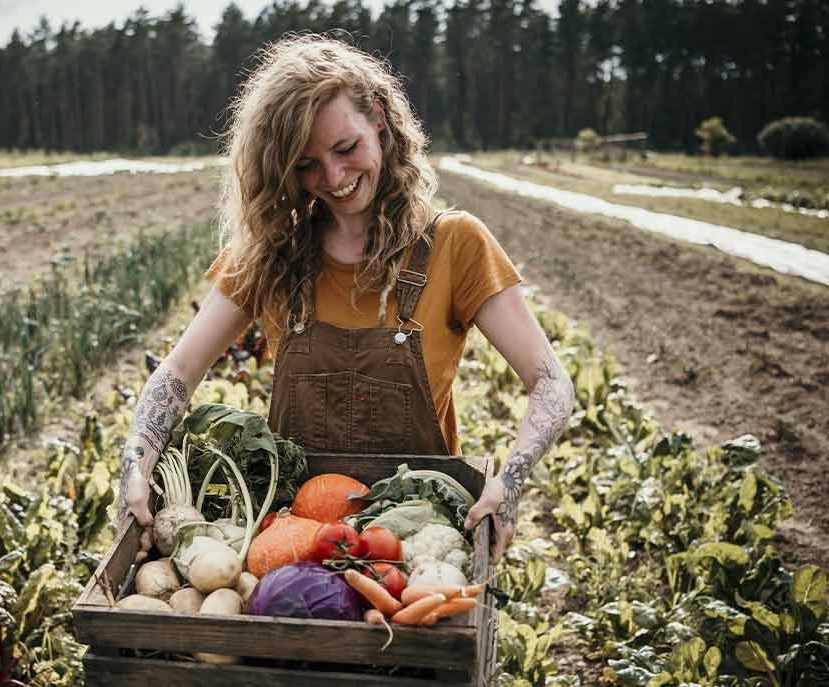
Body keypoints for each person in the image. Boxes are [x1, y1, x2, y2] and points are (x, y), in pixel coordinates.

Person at [117, 33, 575, 565]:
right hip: (293, 539)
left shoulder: (454, 245)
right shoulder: (271, 255)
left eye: (345, 149)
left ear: (379, 119)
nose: (333, 178)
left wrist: (510, 481)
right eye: (306, 165)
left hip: (416, 548)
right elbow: (178, 371)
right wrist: (137, 460)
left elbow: (551, 382)